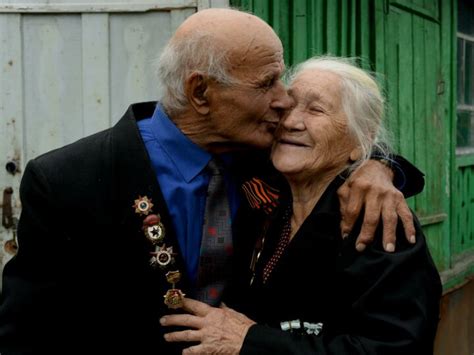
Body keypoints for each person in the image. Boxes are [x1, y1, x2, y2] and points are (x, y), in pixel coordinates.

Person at [0, 9, 424, 355]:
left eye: (283, 82)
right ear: (201, 93)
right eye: (267, 84)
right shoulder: (66, 180)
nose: (284, 103)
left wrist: (380, 168)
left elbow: (344, 144)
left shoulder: (270, 159)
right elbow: (26, 335)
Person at [160, 57, 442, 354]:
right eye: (288, 107)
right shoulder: (266, 195)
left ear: (362, 140)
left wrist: (250, 341)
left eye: (316, 110)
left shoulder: (377, 220)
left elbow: (394, 348)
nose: (291, 122)